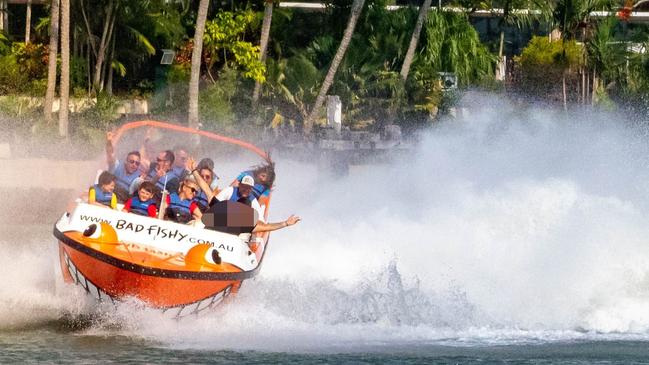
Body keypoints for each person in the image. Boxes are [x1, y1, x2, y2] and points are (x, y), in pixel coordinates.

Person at [210, 174, 300, 233]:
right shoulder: (229, 191)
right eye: (244, 186)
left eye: (248, 188)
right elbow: (212, 208)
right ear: (239, 185)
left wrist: (286, 223)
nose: (246, 189)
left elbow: (265, 226)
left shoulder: (248, 221)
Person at [105, 132, 143, 203]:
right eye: (132, 161)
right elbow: (110, 154)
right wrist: (109, 141)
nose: (134, 164)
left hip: (123, 201)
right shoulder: (117, 166)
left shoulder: (138, 178)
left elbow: (147, 188)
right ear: (126, 161)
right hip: (108, 195)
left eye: (137, 163)